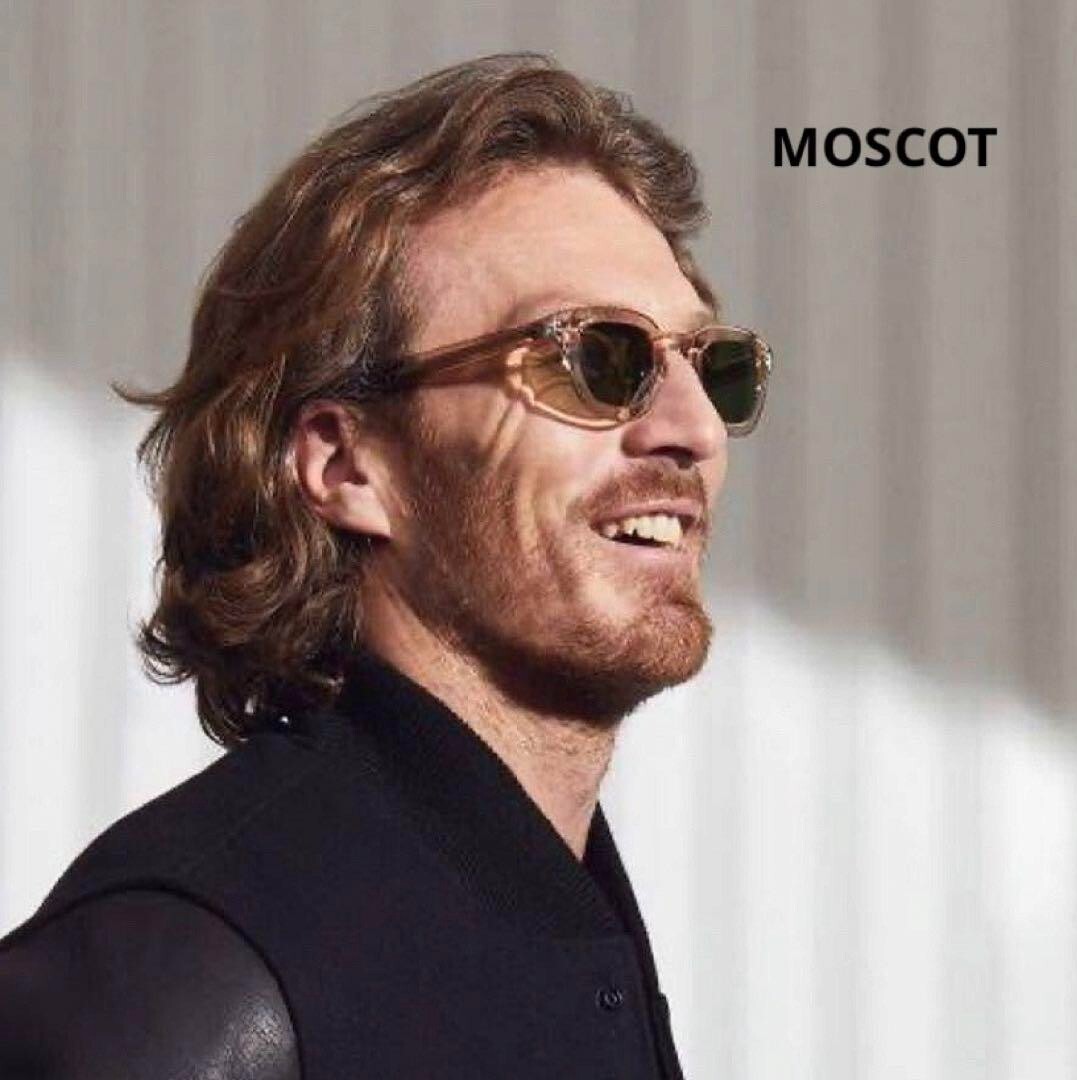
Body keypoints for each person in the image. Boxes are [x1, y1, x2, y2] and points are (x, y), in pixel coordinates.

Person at [0, 52, 771, 1078]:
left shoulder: (565, 922)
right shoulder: (185, 973)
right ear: (345, 465)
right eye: (596, 358)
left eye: (713, 367)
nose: (694, 430)